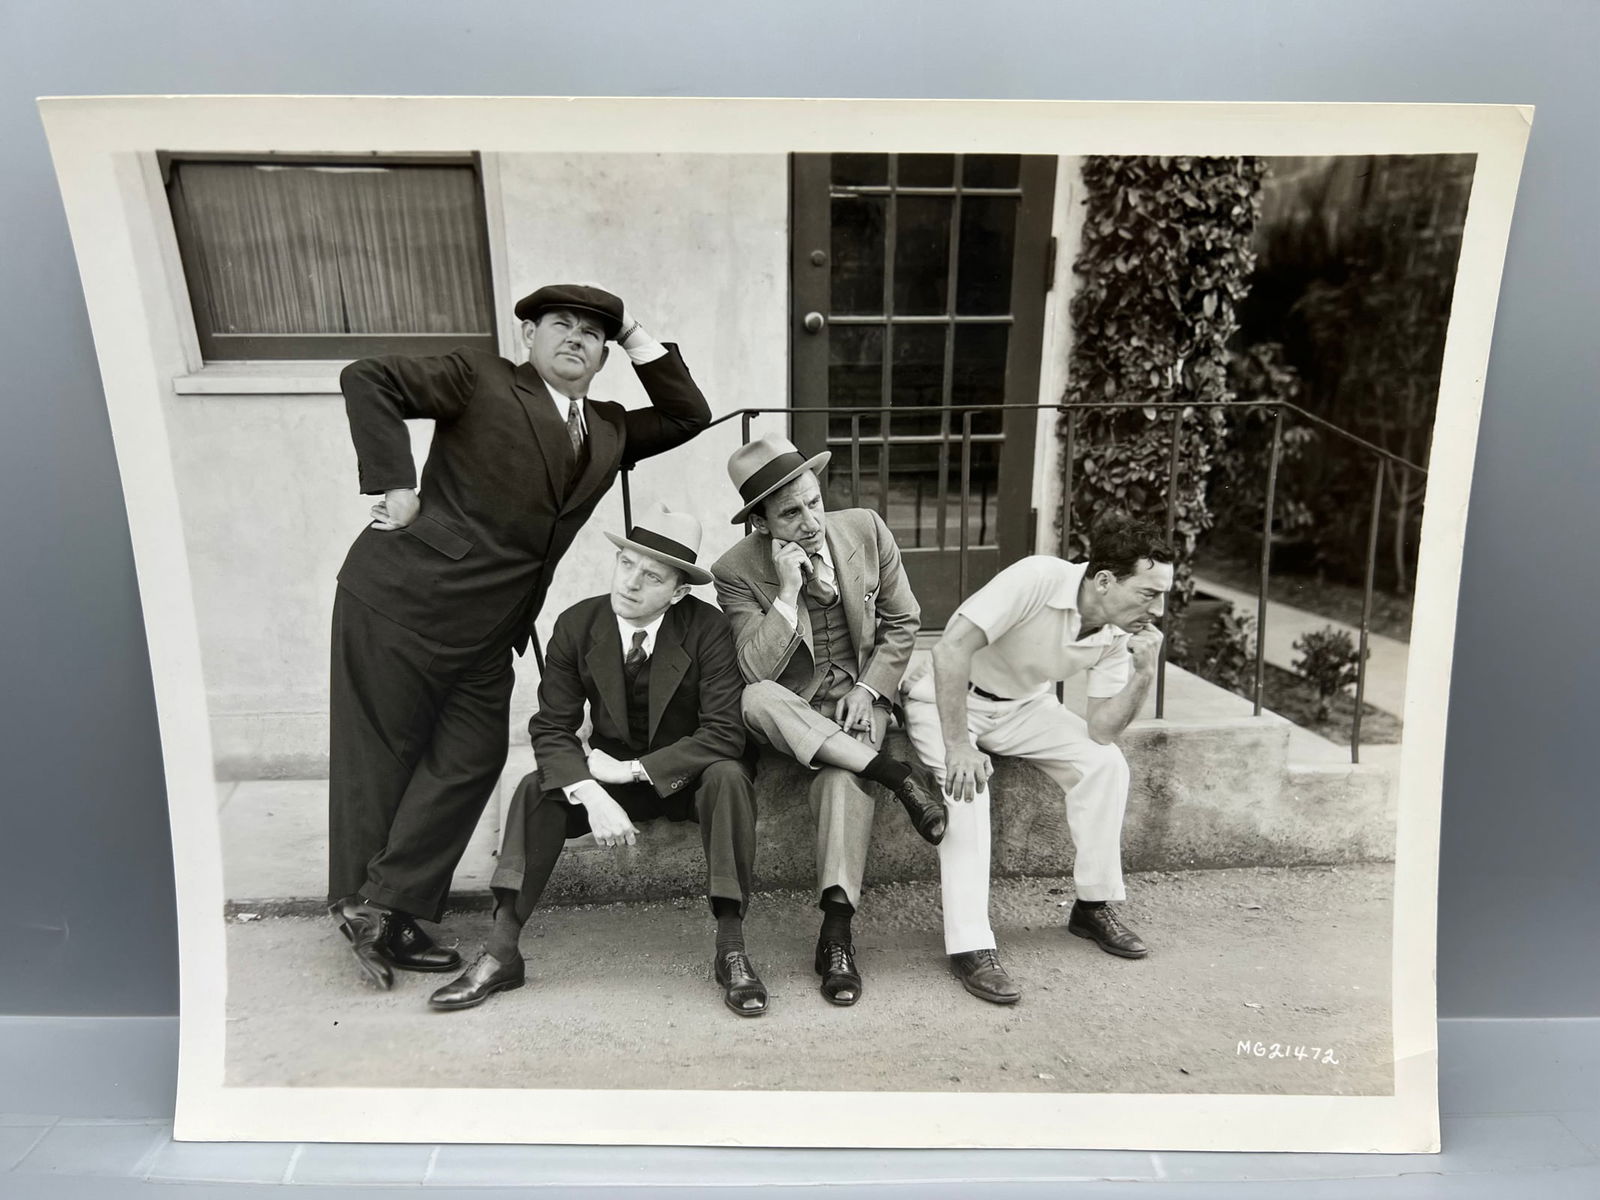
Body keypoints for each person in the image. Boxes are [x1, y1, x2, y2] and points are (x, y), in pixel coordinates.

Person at [327, 284, 711, 990]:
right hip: (400, 599)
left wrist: (635, 333)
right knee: (381, 757)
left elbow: (690, 414)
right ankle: (370, 909)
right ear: (528, 335)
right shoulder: (482, 380)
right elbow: (368, 377)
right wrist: (394, 480)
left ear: (604, 354)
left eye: (593, 334)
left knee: (470, 760)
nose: (576, 339)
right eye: (560, 325)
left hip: (491, 627)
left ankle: (388, 903)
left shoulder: (608, 427)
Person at [428, 504, 766, 1016]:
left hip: (685, 777)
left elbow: (723, 733)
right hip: (607, 777)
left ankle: (731, 948)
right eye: (626, 563)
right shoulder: (578, 624)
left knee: (730, 778)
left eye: (651, 576)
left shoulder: (707, 629)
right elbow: (551, 727)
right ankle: (501, 952)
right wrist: (590, 792)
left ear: (678, 593)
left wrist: (633, 771)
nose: (630, 583)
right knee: (534, 787)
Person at [900, 512, 1174, 1005]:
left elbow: (1102, 729)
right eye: (1149, 593)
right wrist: (960, 744)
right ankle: (971, 945)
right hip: (951, 697)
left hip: (1026, 706)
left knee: (1105, 763)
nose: (1157, 609)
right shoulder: (1037, 577)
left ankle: (1092, 906)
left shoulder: (1117, 630)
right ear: (1106, 580)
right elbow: (950, 650)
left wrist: (1143, 674)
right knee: (969, 789)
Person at [711, 435, 945, 1007]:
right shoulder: (735, 570)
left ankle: (836, 937)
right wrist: (788, 594)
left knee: (843, 779)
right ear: (761, 523)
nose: (811, 521)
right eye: (791, 513)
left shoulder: (865, 528)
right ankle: (896, 776)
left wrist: (870, 689)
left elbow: (903, 621)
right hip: (792, 711)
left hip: (856, 702)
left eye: (814, 502)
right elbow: (753, 668)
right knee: (757, 698)